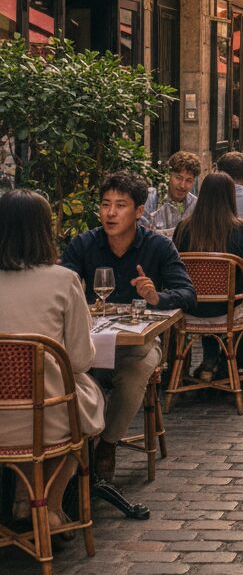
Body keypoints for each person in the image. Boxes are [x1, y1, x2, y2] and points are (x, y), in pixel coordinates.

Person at [61, 171, 196, 481]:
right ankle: (79, 448)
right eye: (105, 204)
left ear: (138, 211)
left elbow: (188, 294)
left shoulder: (158, 247)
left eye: (120, 205)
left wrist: (156, 296)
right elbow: (62, 284)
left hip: (137, 344)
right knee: (65, 370)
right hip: (90, 344)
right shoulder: (84, 244)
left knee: (137, 368)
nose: (111, 213)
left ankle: (106, 445)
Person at [0, 190, 105, 534]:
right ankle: (49, 506)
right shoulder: (63, 280)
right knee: (83, 402)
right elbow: (81, 359)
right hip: (46, 415)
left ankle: (23, 499)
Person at [172, 172, 243, 388]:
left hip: (193, 307)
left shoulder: (183, 229)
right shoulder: (241, 229)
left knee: (214, 294)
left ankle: (211, 357)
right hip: (228, 308)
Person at [143, 150, 200, 236]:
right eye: (178, 178)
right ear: (168, 175)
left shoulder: (195, 205)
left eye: (189, 180)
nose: (182, 185)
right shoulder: (150, 199)